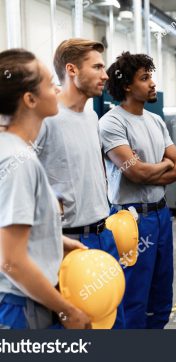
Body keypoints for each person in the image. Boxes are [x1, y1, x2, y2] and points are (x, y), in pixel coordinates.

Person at [35, 38, 125, 328]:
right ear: (72, 70)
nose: (105, 74)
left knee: (111, 322)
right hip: (67, 243)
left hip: (104, 234)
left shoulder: (92, 115)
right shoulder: (45, 119)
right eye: (97, 67)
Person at [0, 49, 90, 329]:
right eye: (51, 83)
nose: (57, 89)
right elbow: (11, 261)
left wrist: (56, 240)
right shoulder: (19, 161)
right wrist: (67, 310)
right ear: (30, 99)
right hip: (23, 305)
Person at [99, 52, 176, 329]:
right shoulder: (112, 122)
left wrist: (151, 169)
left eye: (151, 77)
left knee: (162, 294)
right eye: (144, 78)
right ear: (126, 86)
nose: (152, 84)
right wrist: (162, 165)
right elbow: (135, 172)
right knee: (134, 297)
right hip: (130, 220)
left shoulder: (156, 121)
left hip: (160, 217)